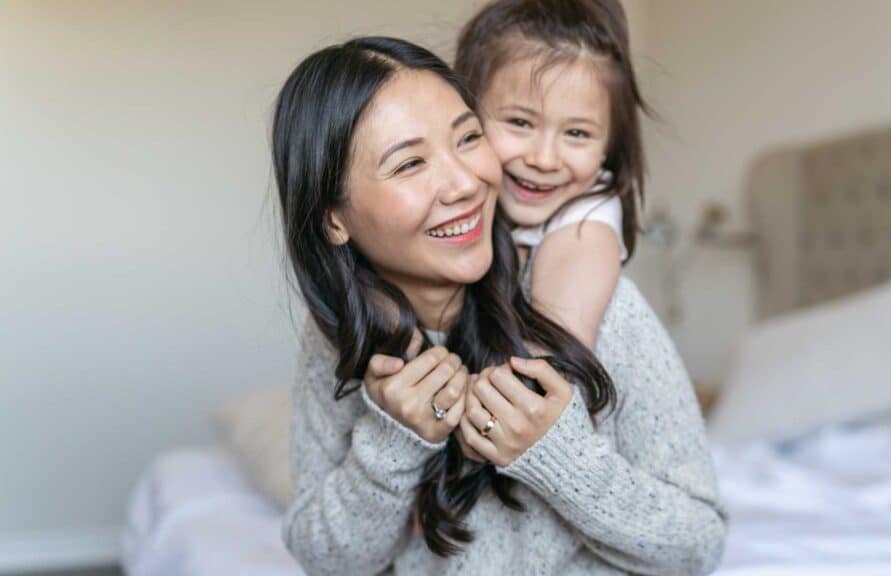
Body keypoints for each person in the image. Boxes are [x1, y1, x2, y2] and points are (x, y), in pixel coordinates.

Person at [274, 36, 725, 576]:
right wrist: (392, 441)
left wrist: (560, 458)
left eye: (468, 138)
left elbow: (698, 548)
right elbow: (327, 563)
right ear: (333, 219)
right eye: (410, 163)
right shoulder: (341, 340)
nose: (466, 183)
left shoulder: (601, 306)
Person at [455, 0, 649, 348]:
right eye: (520, 122)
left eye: (576, 133)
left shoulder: (587, 229)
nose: (544, 160)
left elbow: (546, 370)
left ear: (609, 145)